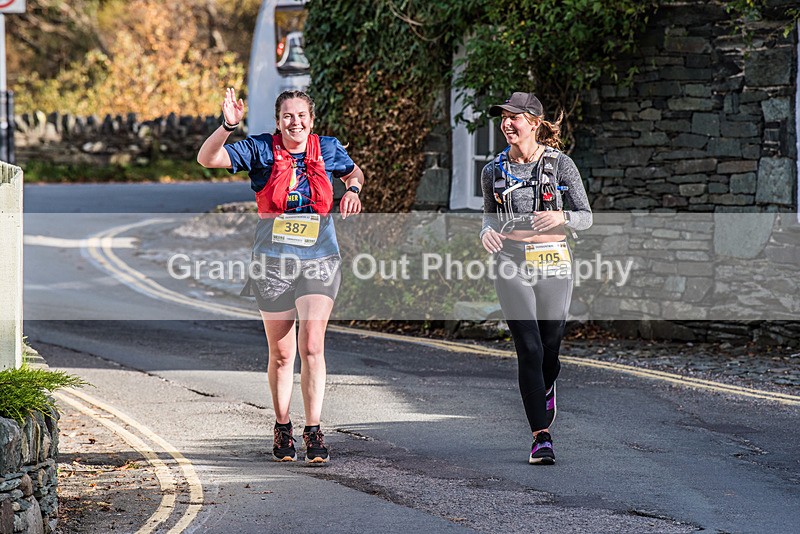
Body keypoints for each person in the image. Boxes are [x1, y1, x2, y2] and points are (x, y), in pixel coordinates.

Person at [197, 88, 364, 463]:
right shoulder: (259, 149)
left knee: (312, 346)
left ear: (312, 119)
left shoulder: (328, 148)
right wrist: (227, 125)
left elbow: (355, 172)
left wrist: (352, 189)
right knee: (283, 354)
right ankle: (283, 426)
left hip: (319, 258)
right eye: (288, 116)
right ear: (278, 121)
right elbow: (207, 158)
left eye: (302, 115)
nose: (296, 122)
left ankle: (314, 429)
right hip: (273, 262)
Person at [479, 92, 592, 465]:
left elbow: (586, 216)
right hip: (510, 261)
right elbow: (489, 218)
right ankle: (541, 437)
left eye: (514, 117)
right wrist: (486, 234)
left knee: (549, 348)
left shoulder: (560, 166)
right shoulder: (492, 171)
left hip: (554, 260)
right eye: (503, 118)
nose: (507, 124)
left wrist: (563, 218)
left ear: (534, 123)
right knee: (528, 347)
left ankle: (546, 385)